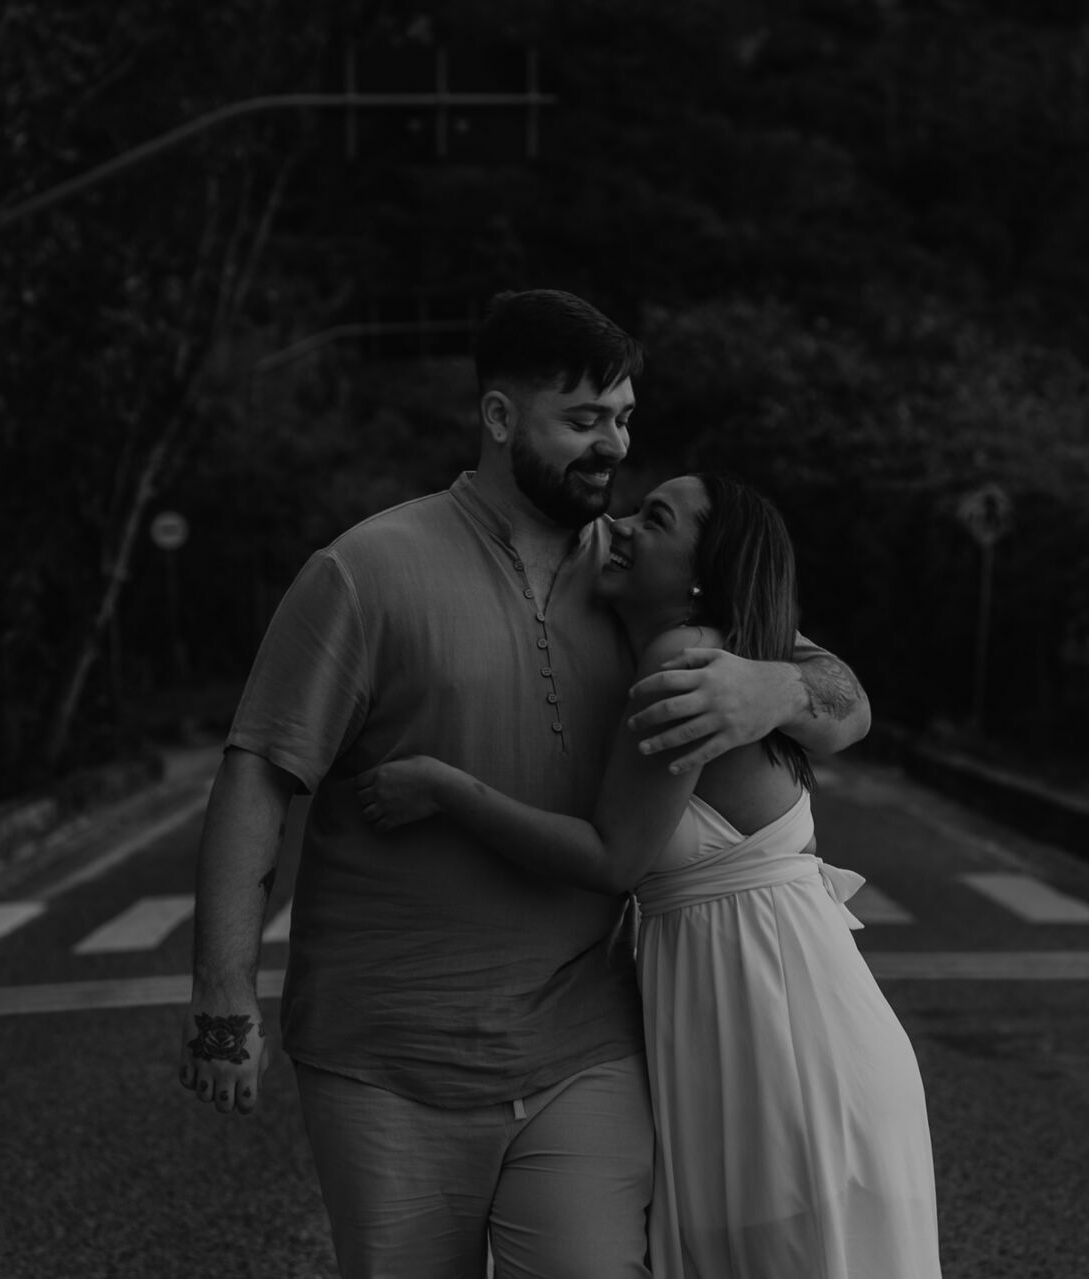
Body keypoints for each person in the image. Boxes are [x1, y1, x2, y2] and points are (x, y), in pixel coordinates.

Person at [179, 288, 872, 1279]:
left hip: (583, 1047)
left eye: (624, 419)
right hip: (386, 1059)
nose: (613, 447)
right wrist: (222, 1000)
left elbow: (846, 703)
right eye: (584, 420)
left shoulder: (636, 577)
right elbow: (259, 772)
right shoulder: (366, 570)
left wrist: (772, 683)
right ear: (501, 420)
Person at [354, 472, 944, 1279]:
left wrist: (447, 789)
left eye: (654, 519)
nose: (621, 524)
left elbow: (613, 858)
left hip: (782, 1048)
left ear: (704, 573)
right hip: (765, 1028)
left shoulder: (683, 656)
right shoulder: (717, 641)